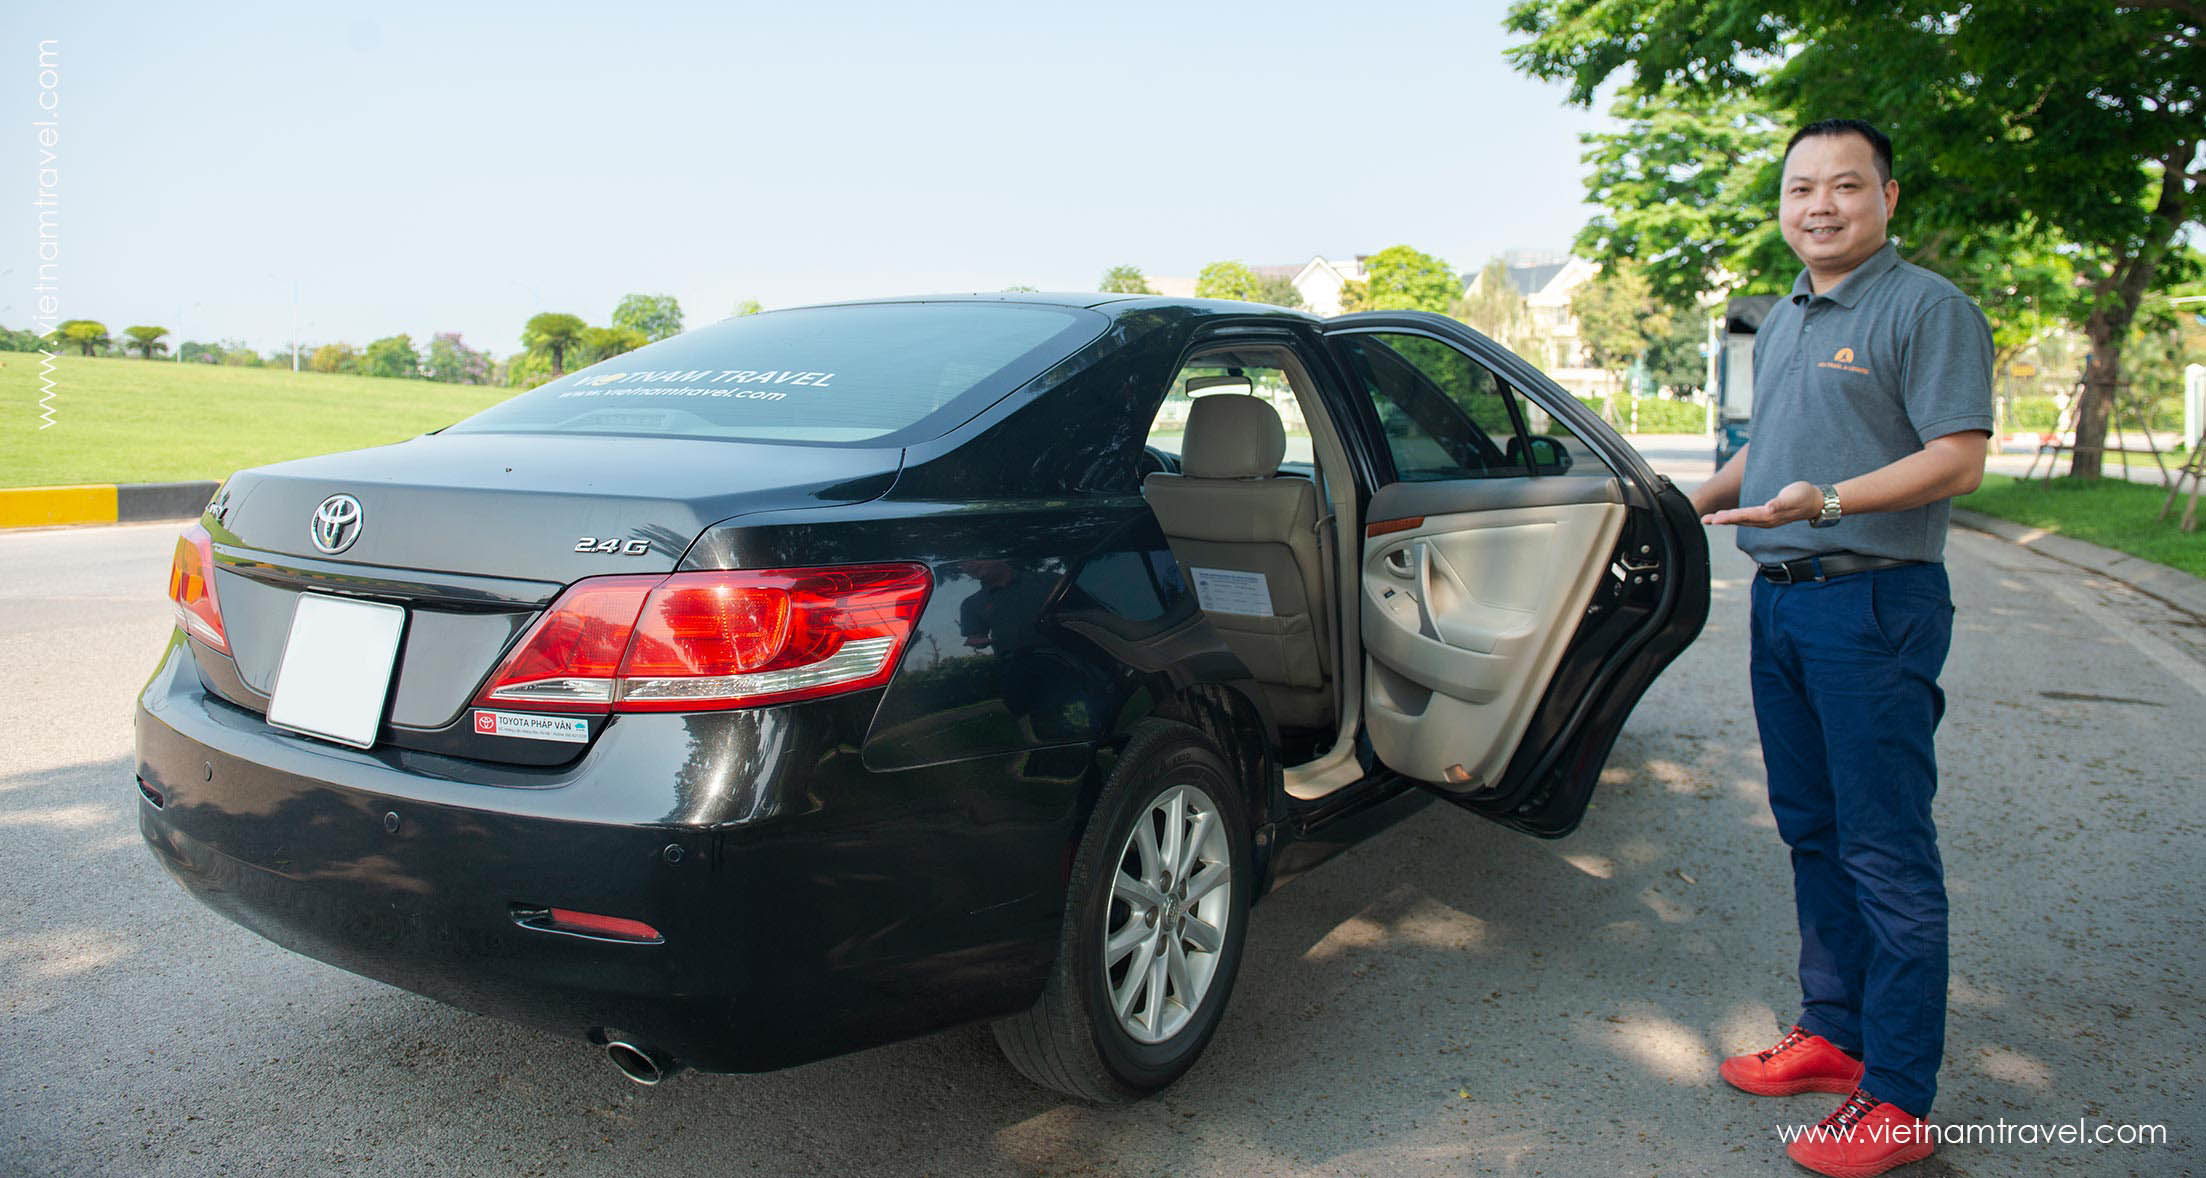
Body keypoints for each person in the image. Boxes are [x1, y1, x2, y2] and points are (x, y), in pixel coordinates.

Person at [1689, 118, 1992, 1178]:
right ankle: (1833, 1030)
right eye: (1799, 188)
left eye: (1844, 186)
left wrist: (1825, 500)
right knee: (1811, 830)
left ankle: (1898, 1093)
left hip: (1875, 605)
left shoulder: (1926, 307)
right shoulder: (1781, 318)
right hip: (1783, 603)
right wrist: (1685, 500)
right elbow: (1759, 454)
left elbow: (1957, 459)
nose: (1818, 204)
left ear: (1887, 199)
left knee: (1884, 849)